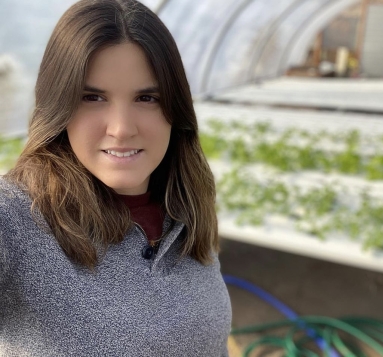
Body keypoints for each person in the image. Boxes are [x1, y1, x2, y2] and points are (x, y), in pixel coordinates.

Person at [0, 0, 232, 356]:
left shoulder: (187, 208)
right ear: (58, 105)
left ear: (175, 107)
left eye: (147, 97)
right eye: (92, 97)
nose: (121, 129)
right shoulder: (17, 219)